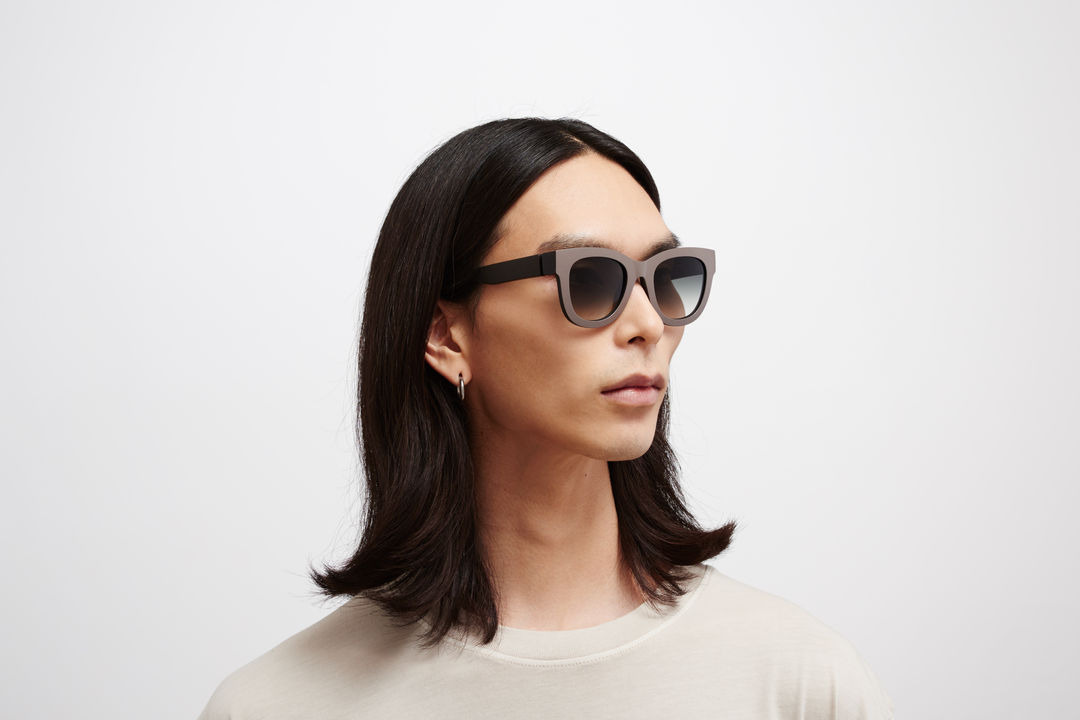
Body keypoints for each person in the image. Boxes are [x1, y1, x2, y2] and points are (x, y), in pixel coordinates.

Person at [197, 117, 894, 718]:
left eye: (665, 278)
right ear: (445, 335)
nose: (649, 324)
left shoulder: (800, 682)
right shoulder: (275, 705)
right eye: (589, 279)